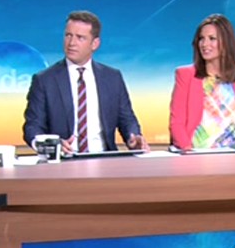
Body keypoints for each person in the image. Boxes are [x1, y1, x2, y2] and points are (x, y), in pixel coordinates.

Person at [22, 10, 148, 155]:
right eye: (68, 35)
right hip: (63, 160)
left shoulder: (112, 78)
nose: (71, 43)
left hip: (105, 158)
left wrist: (133, 137)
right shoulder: (44, 80)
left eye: (80, 38)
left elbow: (127, 119)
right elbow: (32, 127)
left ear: (95, 44)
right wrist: (50, 145)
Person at [169, 14, 235, 151]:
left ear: (226, 43)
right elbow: (177, 123)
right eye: (201, 38)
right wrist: (188, 152)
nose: (204, 44)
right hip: (195, 156)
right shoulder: (185, 75)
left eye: (212, 38)